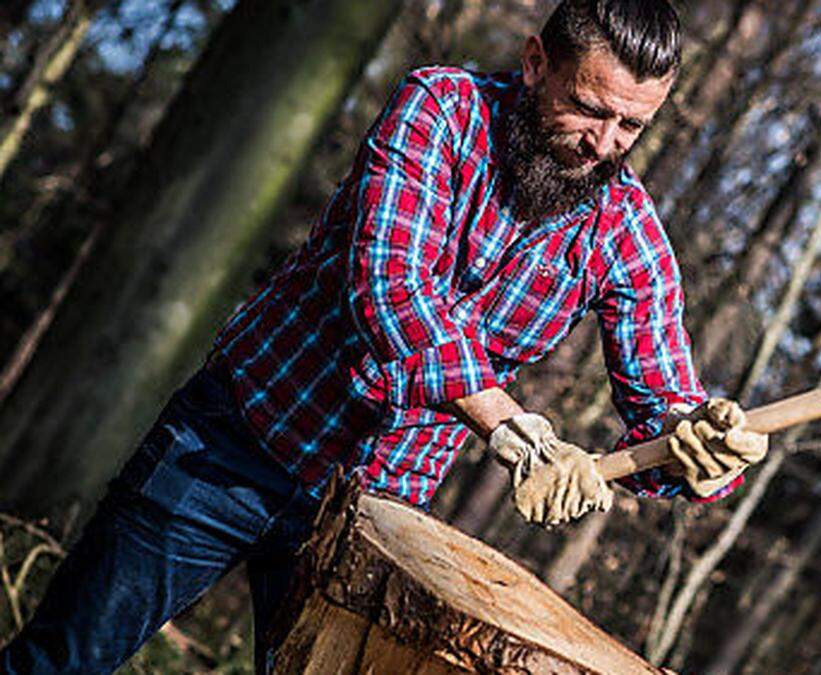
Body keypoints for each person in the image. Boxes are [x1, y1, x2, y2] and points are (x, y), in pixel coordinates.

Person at [0, 0, 768, 672]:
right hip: (231, 442)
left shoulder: (628, 237)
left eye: (632, 124)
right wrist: (512, 428)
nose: (605, 141)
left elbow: (665, 406)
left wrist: (699, 449)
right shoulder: (440, 108)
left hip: (369, 521)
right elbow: (391, 295)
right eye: (588, 107)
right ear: (537, 63)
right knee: (60, 660)